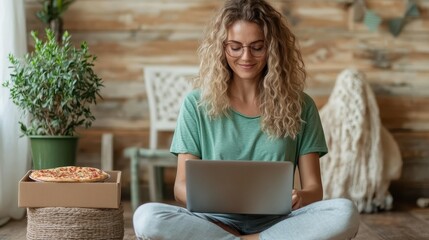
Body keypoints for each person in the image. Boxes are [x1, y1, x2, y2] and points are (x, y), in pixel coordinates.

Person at [133, 0, 360, 239]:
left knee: (345, 212)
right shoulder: (196, 104)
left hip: (279, 223)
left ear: (273, 48)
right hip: (213, 222)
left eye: (257, 47)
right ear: (221, 47)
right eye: (235, 47)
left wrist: (300, 197)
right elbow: (180, 188)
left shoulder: (301, 106)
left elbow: (314, 188)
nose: (246, 57)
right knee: (147, 217)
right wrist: (208, 199)